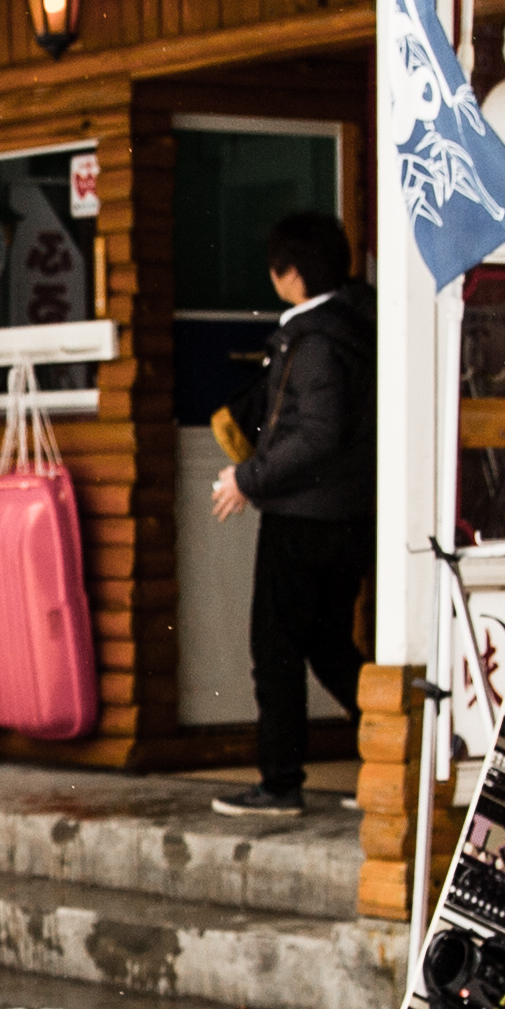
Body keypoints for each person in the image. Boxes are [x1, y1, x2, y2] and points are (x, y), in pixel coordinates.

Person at [211, 206, 371, 817]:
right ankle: (392, 749)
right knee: (328, 642)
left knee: (275, 645)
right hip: (348, 515)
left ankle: (279, 783)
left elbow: (316, 434)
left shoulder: (314, 340)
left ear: (291, 275)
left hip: (302, 516)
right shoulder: (356, 325)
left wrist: (248, 478)